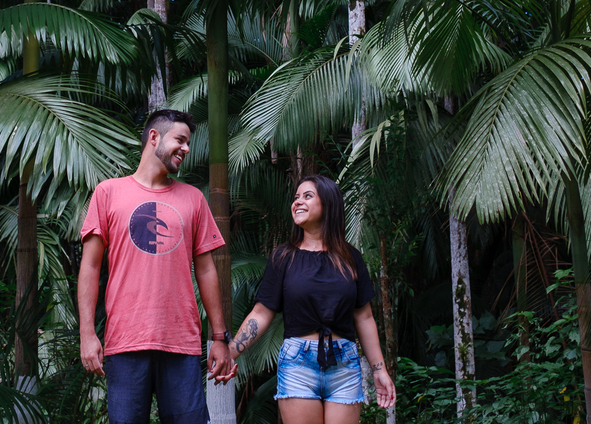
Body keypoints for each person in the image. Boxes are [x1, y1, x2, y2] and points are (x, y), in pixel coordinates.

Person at [78, 108, 237, 424]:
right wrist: (86, 333)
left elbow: (206, 271)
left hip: (181, 344)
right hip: (125, 341)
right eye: (180, 139)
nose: (187, 149)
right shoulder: (108, 193)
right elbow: (91, 267)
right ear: (154, 137)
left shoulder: (193, 198)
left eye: (188, 142)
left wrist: (220, 338)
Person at [228, 175, 396, 424]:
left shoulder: (350, 258)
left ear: (328, 204)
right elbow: (261, 313)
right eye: (296, 197)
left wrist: (379, 370)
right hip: (298, 364)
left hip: (344, 364)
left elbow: (364, 317)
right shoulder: (284, 257)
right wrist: (230, 353)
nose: (297, 202)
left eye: (307, 196)